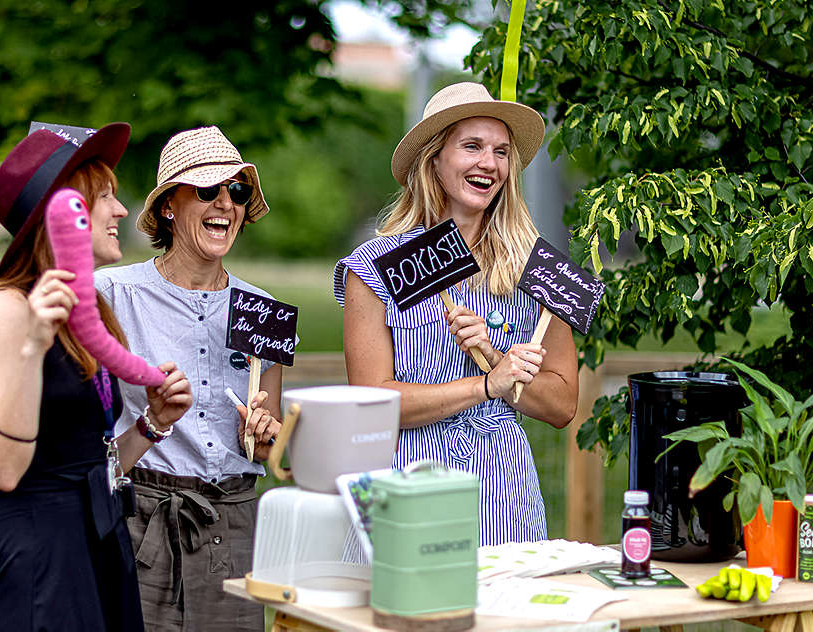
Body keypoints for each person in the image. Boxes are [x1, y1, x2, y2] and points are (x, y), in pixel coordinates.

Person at [0, 123, 193, 632]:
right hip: (35, 559)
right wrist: (32, 345)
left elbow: (86, 465)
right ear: (63, 213)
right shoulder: (5, 309)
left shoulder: (90, 316)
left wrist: (152, 425)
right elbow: (3, 471)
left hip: (96, 542)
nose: (121, 211)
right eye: (104, 196)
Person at [333, 83, 579, 546]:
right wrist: (486, 384)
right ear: (434, 159)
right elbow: (371, 405)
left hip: (503, 492)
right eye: (472, 147)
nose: (489, 163)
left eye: (501, 152)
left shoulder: (535, 268)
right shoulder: (375, 266)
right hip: (407, 480)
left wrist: (494, 355)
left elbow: (563, 404)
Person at [95, 126, 281, 632]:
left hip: (235, 524)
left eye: (238, 192)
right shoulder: (111, 294)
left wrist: (265, 437)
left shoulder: (262, 310)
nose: (227, 203)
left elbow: (267, 445)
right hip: (142, 521)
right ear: (170, 206)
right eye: (208, 190)